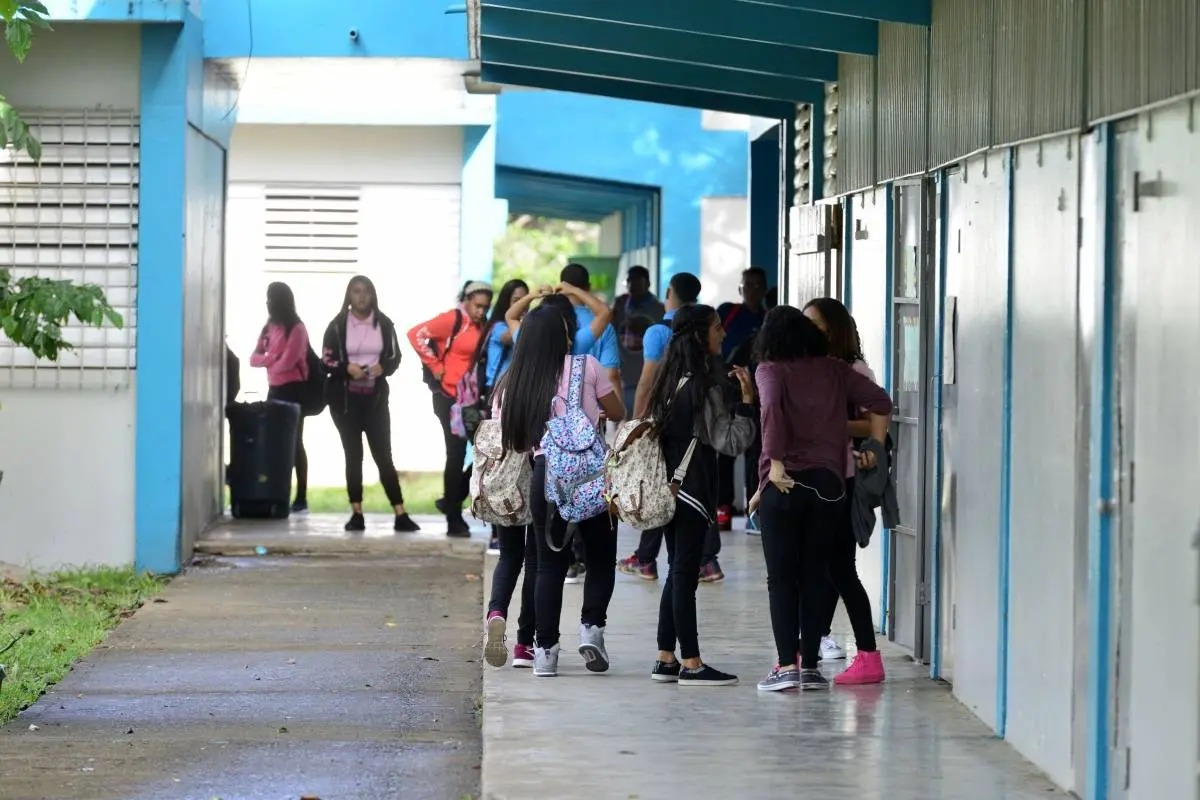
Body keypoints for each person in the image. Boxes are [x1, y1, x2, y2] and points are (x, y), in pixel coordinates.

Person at [750, 307, 892, 692]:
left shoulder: (770, 370)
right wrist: (875, 447)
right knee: (815, 574)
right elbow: (881, 401)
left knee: (782, 578)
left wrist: (774, 465)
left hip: (786, 484)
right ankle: (809, 666)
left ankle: (785, 666)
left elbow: (773, 412)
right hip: (830, 485)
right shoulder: (834, 369)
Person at [497, 305, 625, 678]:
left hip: (545, 476)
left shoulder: (518, 379)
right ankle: (591, 628)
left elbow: (518, 442)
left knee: (549, 565)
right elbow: (618, 411)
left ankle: (545, 654)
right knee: (601, 556)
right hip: (591, 478)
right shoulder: (587, 366)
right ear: (565, 335)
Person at [645, 305, 757, 687]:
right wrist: (746, 401)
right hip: (691, 489)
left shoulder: (667, 378)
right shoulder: (706, 385)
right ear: (699, 335)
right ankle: (691, 662)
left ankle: (665, 657)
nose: (722, 335)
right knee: (684, 574)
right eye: (715, 328)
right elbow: (731, 441)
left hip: (668, 485)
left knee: (677, 571)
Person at [506, 275, 615, 584]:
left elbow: (510, 316)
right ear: (567, 326)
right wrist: (573, 290)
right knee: (596, 544)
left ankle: (539, 632)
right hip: (584, 462)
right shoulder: (580, 350)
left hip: (541, 459)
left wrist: (532, 297)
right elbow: (605, 313)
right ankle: (590, 624)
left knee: (544, 561)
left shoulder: (526, 355)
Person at [617, 273, 725, 582]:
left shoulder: (657, 332)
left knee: (658, 488)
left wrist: (636, 425)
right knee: (696, 491)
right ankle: (705, 560)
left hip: (667, 427)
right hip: (701, 428)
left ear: (668, 292)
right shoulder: (707, 325)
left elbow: (647, 382)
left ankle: (652, 559)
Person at [802, 297, 886, 675]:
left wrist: (829, 422)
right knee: (824, 569)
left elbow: (874, 421)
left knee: (839, 569)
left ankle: (866, 655)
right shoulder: (807, 369)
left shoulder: (855, 371)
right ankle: (810, 652)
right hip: (818, 480)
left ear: (833, 330)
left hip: (846, 479)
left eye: (815, 325)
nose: (808, 332)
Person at [319, 276, 419, 534]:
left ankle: (400, 512)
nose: (361, 297)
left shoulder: (384, 323)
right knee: (353, 456)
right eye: (356, 292)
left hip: (374, 399)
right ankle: (356, 512)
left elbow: (395, 357)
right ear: (349, 295)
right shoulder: (338, 325)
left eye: (366, 292)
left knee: (383, 456)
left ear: (373, 295)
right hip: (344, 401)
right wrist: (346, 368)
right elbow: (326, 359)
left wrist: (382, 367)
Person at [409, 281, 494, 537]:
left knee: (485, 452)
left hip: (468, 399)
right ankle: (454, 519)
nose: (481, 311)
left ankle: (452, 499)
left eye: (485, 307)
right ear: (466, 300)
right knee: (456, 454)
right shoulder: (453, 318)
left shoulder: (481, 325)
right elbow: (416, 333)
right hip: (448, 398)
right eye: (477, 305)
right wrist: (434, 365)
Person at [474, 279, 530, 554]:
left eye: (525, 299)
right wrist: (523, 308)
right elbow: (514, 336)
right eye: (516, 298)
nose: (521, 304)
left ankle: (507, 518)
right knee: (497, 463)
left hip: (517, 399)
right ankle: (497, 527)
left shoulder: (523, 325)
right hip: (498, 400)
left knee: (514, 464)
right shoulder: (499, 327)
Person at [249, 281, 311, 514]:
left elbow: (288, 363)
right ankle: (277, 493)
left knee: (295, 444)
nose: (268, 303)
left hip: (293, 390)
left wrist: (270, 359)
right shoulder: (269, 327)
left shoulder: (296, 328)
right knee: (274, 444)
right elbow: (253, 358)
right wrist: (271, 359)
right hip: (274, 390)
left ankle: (301, 496)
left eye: (271, 298)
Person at [716, 267, 770, 530]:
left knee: (754, 451)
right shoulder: (729, 312)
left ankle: (752, 509)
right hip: (727, 392)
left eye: (756, 285)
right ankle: (722, 509)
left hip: (757, 394)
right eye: (746, 285)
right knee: (726, 448)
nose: (751, 290)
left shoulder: (768, 317)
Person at [612, 266, 665, 413]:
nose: (631, 285)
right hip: (626, 375)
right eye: (629, 280)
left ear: (647, 283)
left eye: (636, 280)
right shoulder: (620, 306)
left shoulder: (659, 309)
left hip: (652, 377)